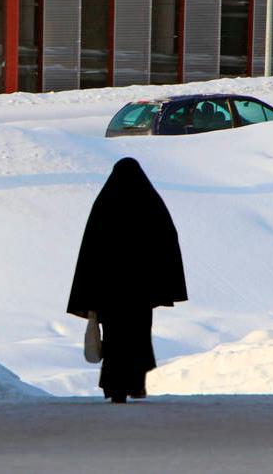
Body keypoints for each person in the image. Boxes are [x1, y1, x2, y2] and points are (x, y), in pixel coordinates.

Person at [67, 157, 187, 403]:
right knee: (137, 337)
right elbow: (166, 241)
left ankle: (115, 387)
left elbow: (91, 251)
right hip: (141, 292)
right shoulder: (151, 204)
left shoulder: (104, 205)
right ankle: (134, 384)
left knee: (114, 339)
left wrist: (90, 293)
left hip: (110, 293)